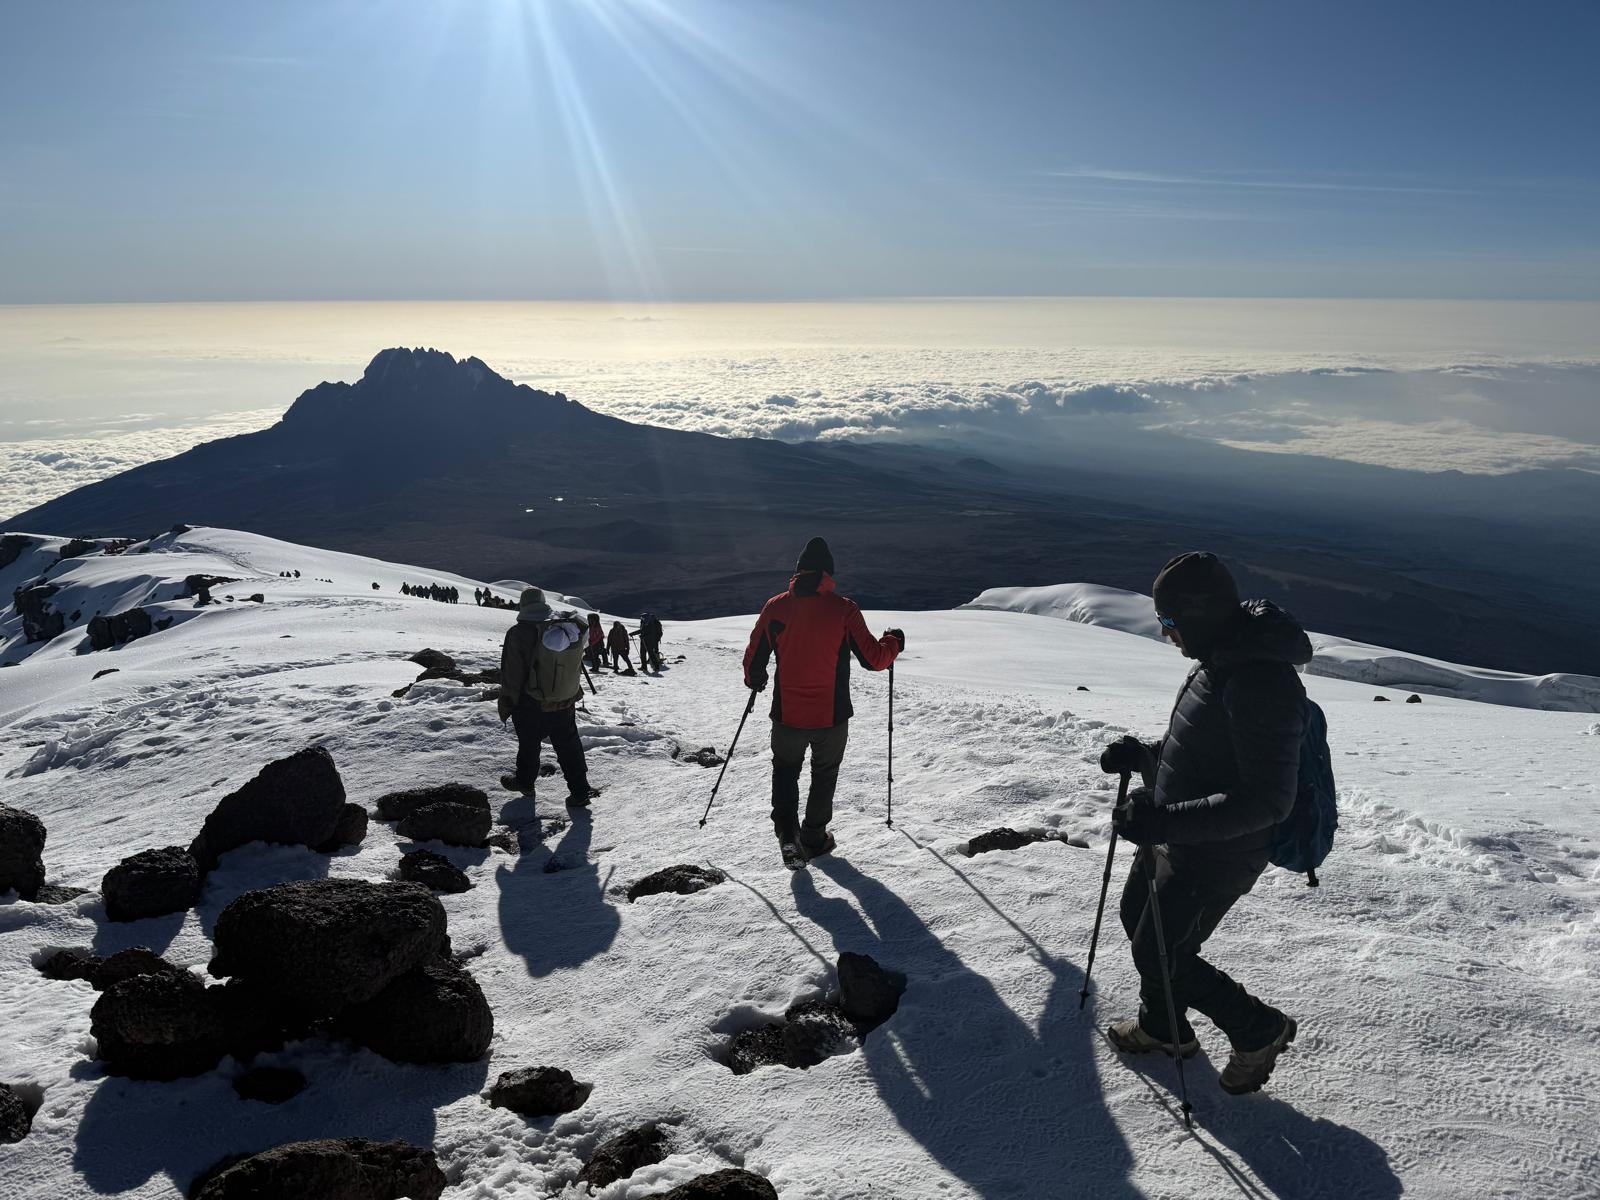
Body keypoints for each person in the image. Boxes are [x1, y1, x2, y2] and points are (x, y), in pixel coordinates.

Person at [1098, 551, 1308, 1095]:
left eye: (1169, 620)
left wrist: (1165, 820)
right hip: (1176, 835)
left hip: (1217, 854)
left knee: (1162, 953)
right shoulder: (1219, 661)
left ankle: (1258, 1028)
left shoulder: (1261, 681)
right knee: (1137, 919)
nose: (1165, 632)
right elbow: (1201, 753)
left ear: (1200, 613)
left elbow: (1266, 799)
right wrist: (1144, 756)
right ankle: (1163, 1029)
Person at [743, 536, 902, 868]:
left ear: (798, 571)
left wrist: (756, 679)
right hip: (832, 717)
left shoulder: (776, 607)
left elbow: (754, 656)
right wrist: (894, 642)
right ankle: (814, 838)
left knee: (785, 770)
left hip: (787, 714)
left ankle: (788, 835)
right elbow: (874, 660)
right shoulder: (844, 610)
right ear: (828, 573)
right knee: (824, 774)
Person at [498, 587, 595, 806]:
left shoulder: (518, 632)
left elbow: (512, 673)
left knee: (529, 744)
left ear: (523, 605)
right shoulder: (561, 628)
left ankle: (525, 782)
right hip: (564, 700)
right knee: (569, 744)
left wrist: (508, 702)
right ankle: (580, 790)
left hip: (530, 702)